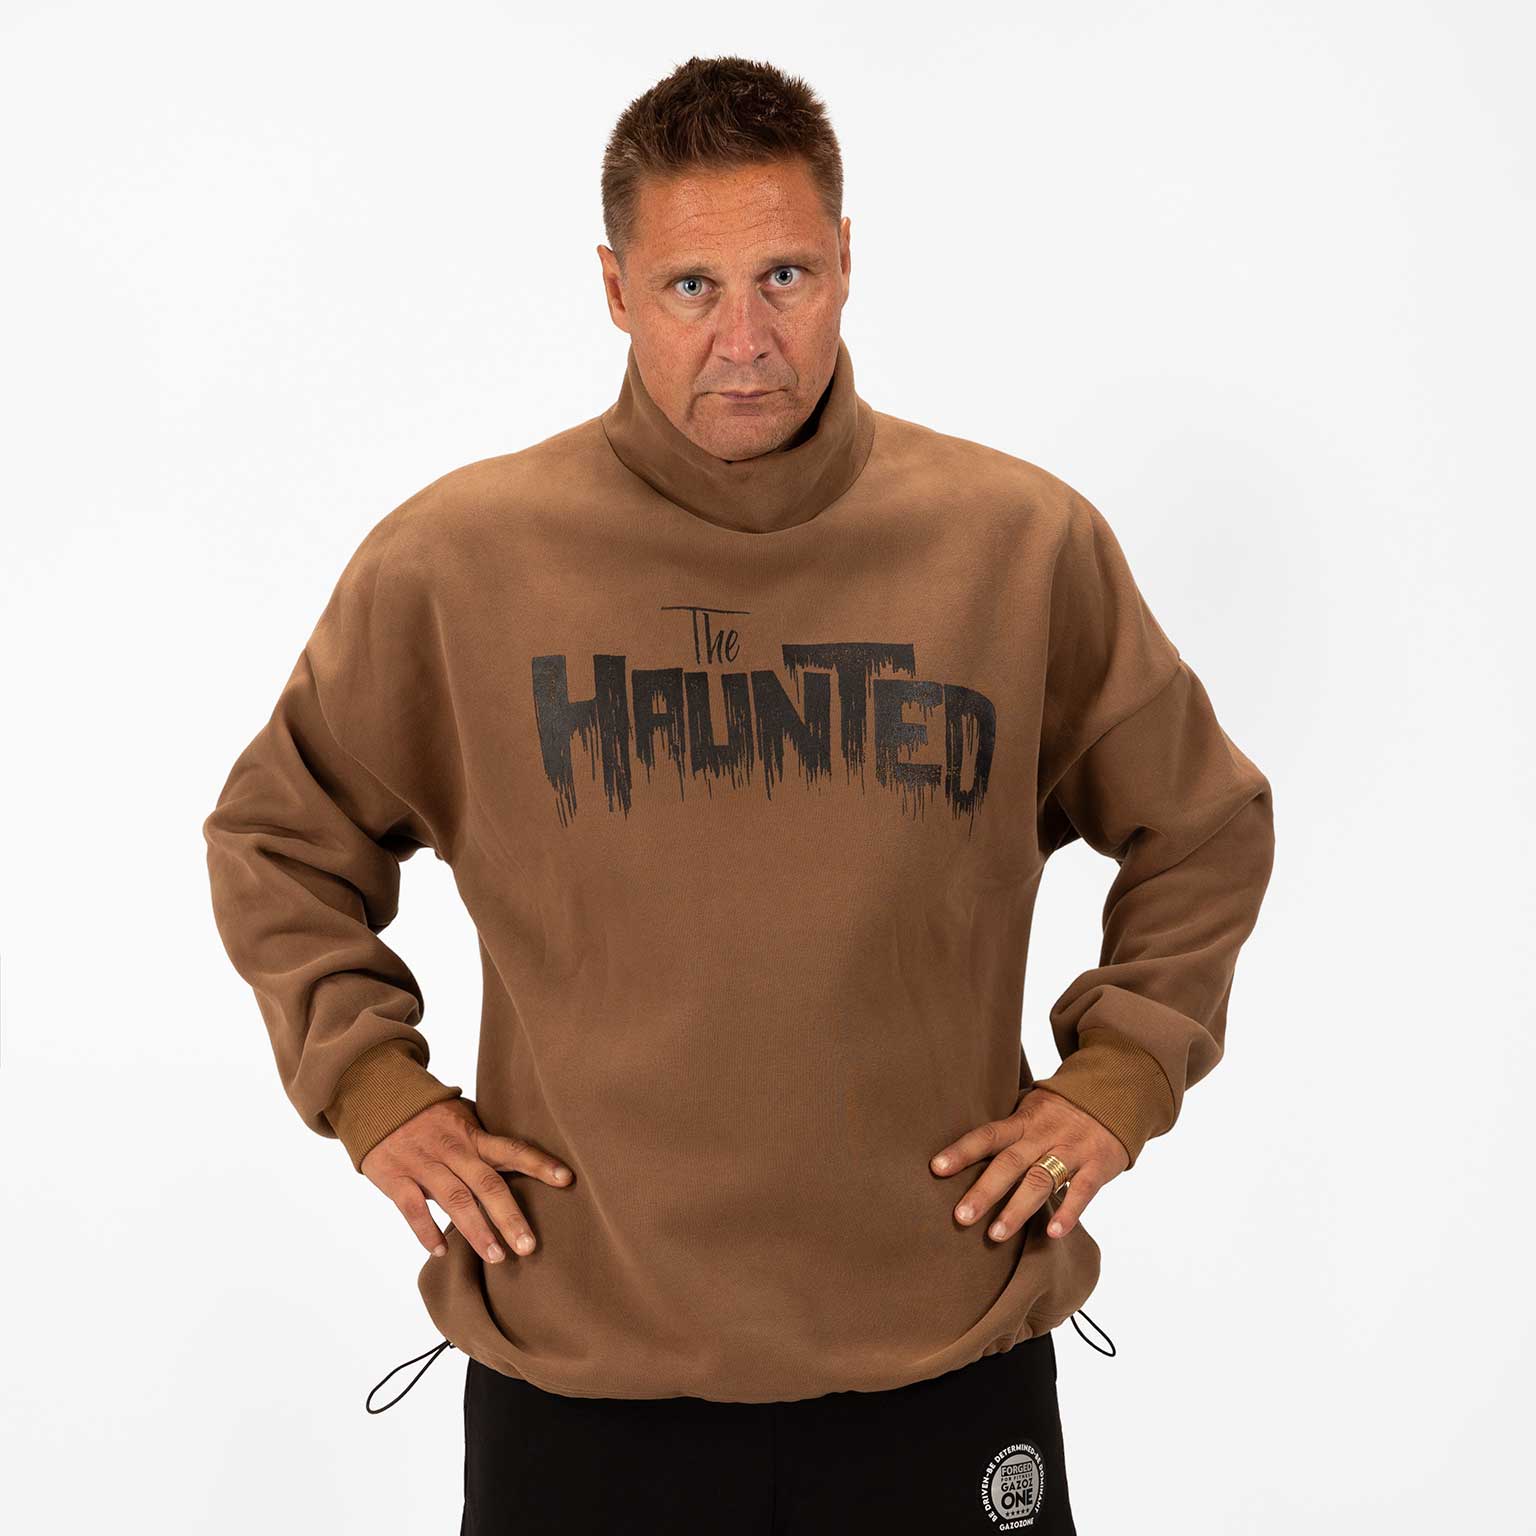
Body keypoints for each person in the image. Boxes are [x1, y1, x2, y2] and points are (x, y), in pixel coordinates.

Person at [203, 54, 1276, 1535]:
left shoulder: (1016, 545)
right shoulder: (460, 564)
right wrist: (374, 1090)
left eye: (785, 276)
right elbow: (278, 837)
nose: (746, 339)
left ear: (846, 265)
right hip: (582, 1376)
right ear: (614, 289)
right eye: (692, 287)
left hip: (942, 1355)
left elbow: (1202, 825)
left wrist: (1120, 1077)